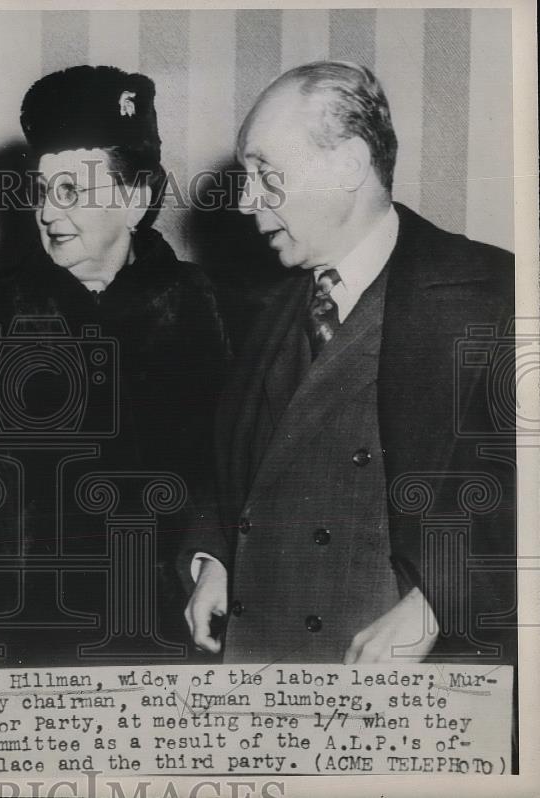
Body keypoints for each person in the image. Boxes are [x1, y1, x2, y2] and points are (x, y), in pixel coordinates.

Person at [183, 62, 516, 665]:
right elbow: (237, 462)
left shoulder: (497, 295)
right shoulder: (261, 304)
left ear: (349, 166)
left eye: (265, 173)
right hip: (260, 664)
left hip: (404, 691)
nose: (246, 200)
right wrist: (216, 554)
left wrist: (437, 600)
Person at [0, 65, 229, 664]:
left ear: (136, 199)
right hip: (16, 633)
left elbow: (227, 481)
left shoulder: (204, 307)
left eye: (72, 192)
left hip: (167, 630)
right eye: (41, 191)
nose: (47, 212)